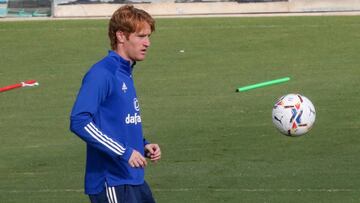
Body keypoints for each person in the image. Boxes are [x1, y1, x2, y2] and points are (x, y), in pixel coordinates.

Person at [70, 5, 161, 203]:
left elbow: (119, 121)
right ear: (121, 36)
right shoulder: (102, 74)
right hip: (112, 181)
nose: (148, 43)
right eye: (141, 36)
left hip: (133, 178)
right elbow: (79, 121)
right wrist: (124, 152)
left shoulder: (125, 72)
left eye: (149, 36)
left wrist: (143, 145)